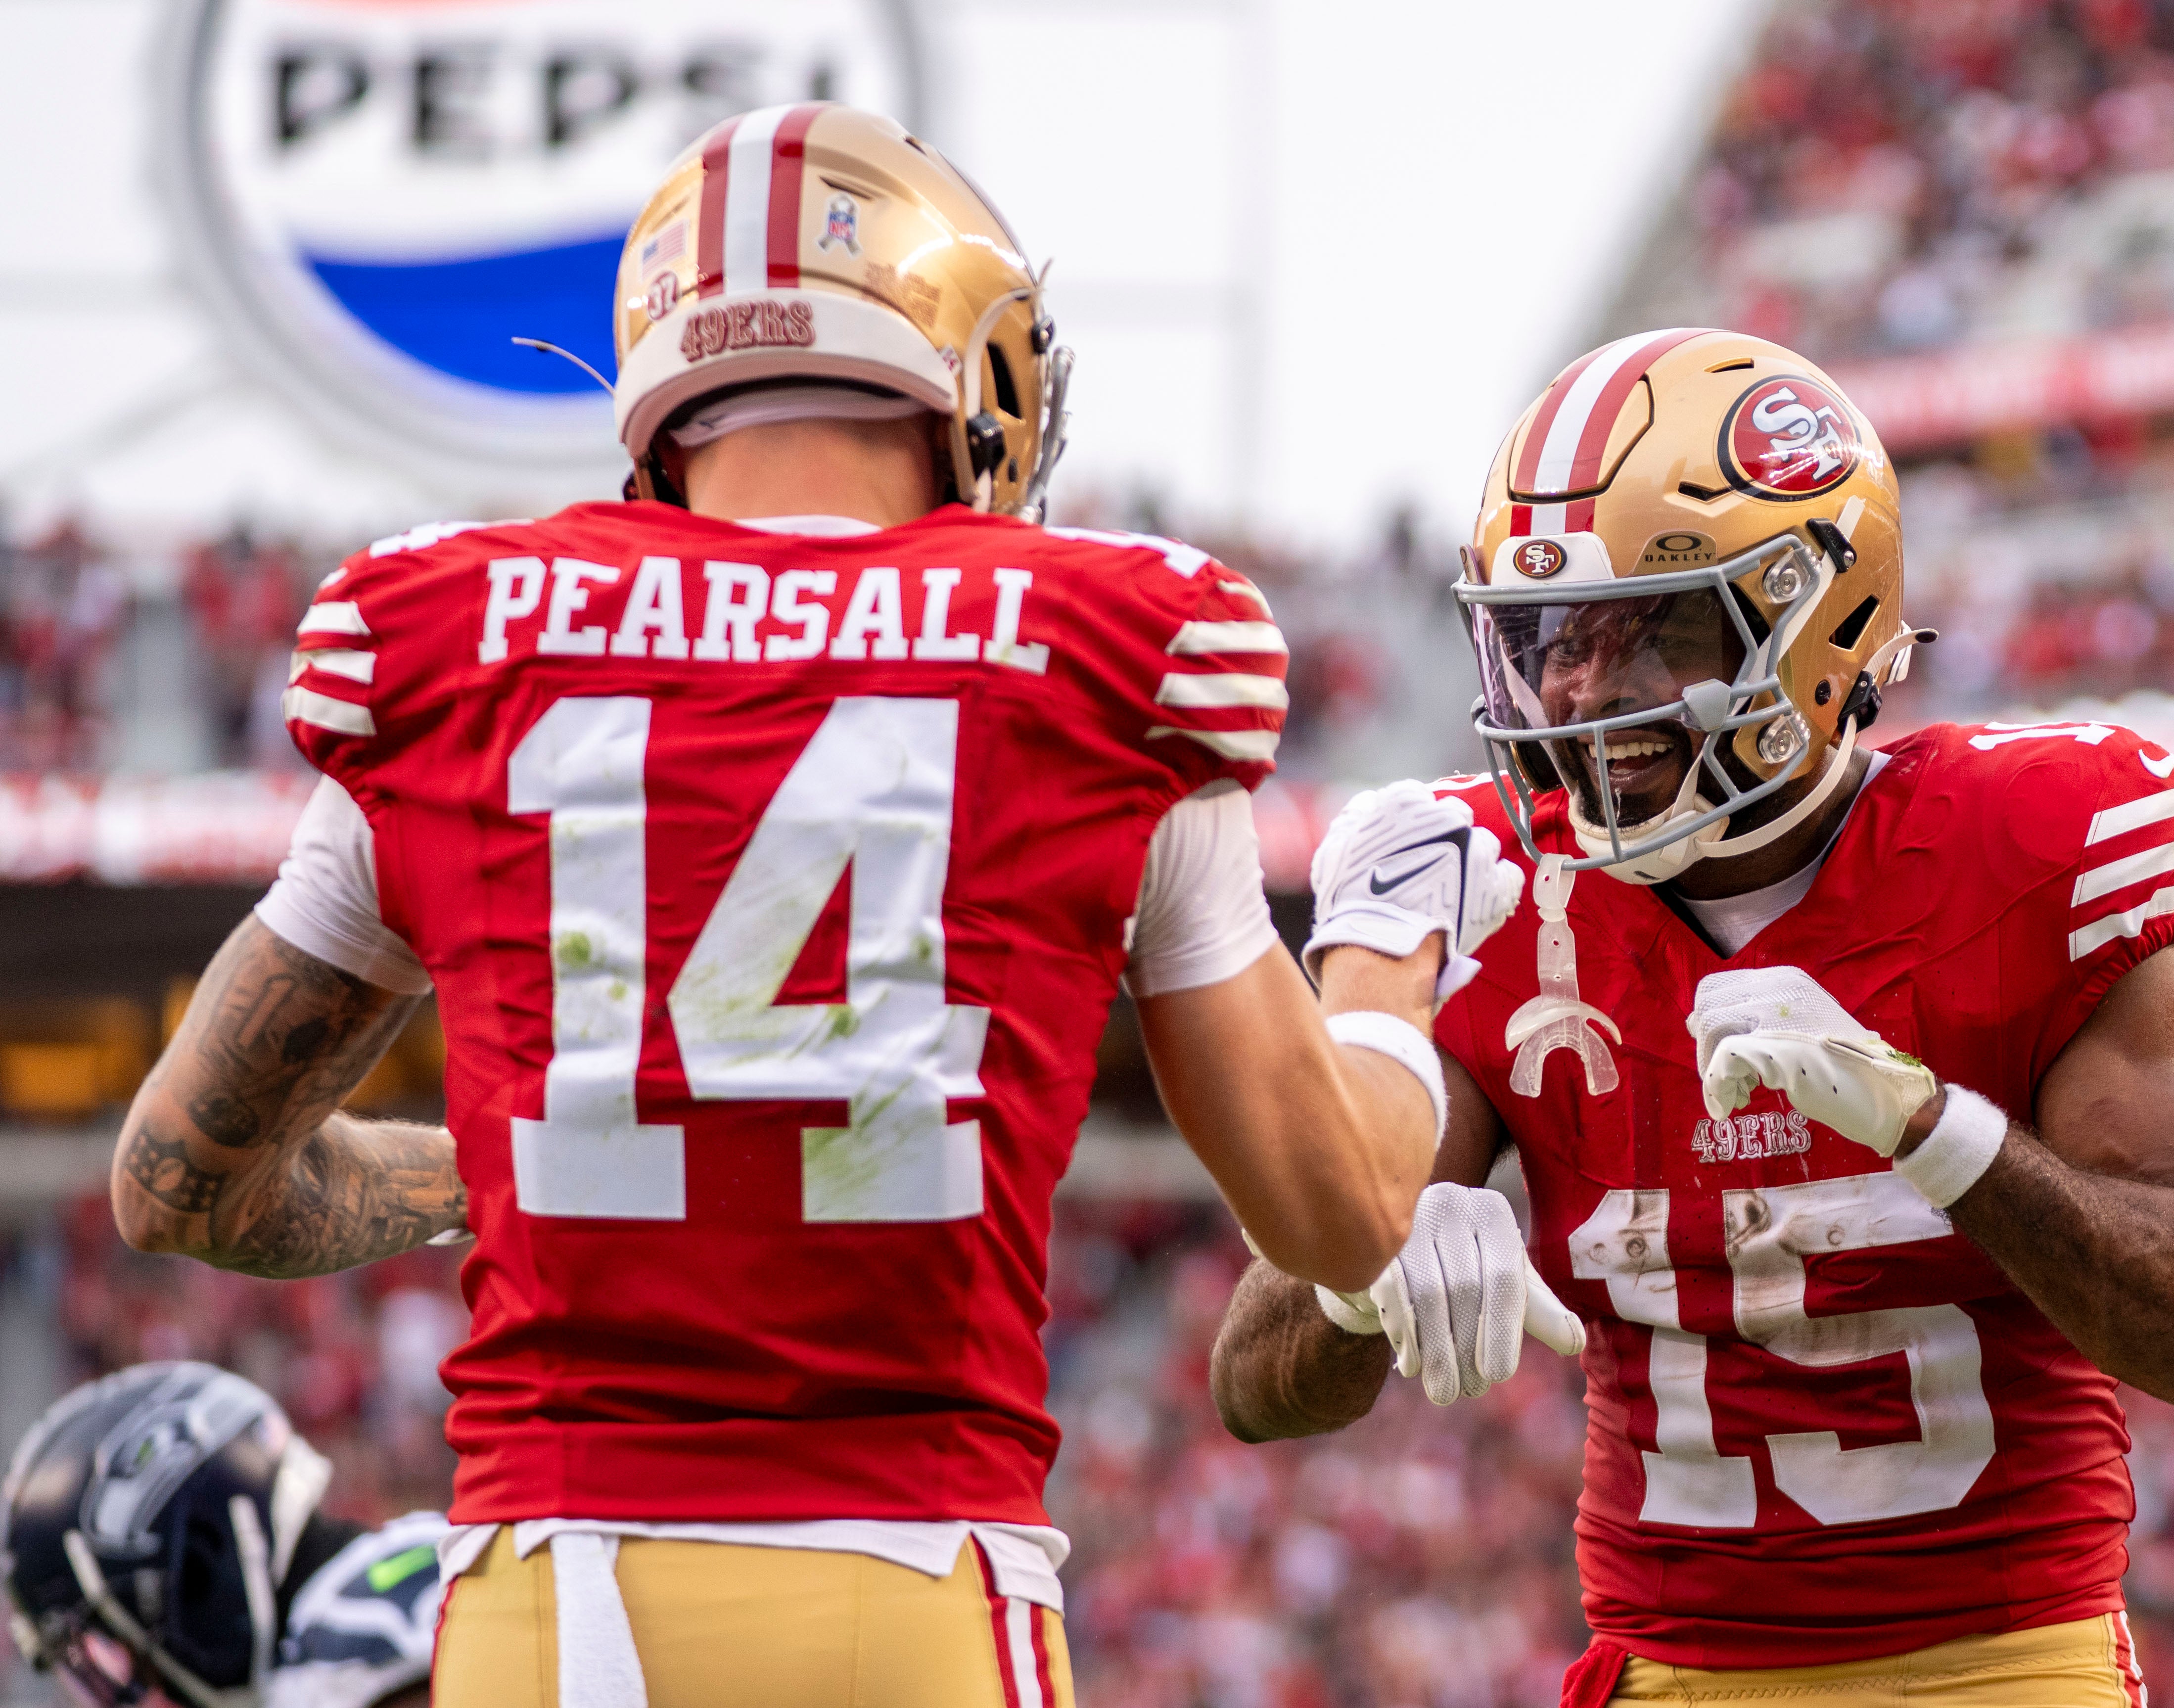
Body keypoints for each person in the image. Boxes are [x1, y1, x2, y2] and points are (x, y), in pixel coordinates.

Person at [107, 104, 1519, 1708]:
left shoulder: (452, 648)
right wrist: (1389, 980)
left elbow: (181, 1185)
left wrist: (480, 1171)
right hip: (908, 1591)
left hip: (542, 1608)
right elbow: (1338, 1213)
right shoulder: (1104, 655)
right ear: (972, 378)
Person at [1210, 328, 2174, 1707]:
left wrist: (1935, 1131)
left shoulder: (2020, 846)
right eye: (1549, 635)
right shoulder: (1482, 883)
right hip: (1673, 1673)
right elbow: (1253, 1380)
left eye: (1650, 630)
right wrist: (1360, 1265)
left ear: (1820, 622)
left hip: (2002, 1666)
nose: (1577, 694)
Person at [3, 1361, 441, 1708]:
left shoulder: (344, 1645)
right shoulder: (420, 1553)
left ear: (196, 1569)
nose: (138, 1684)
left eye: (117, 1649)